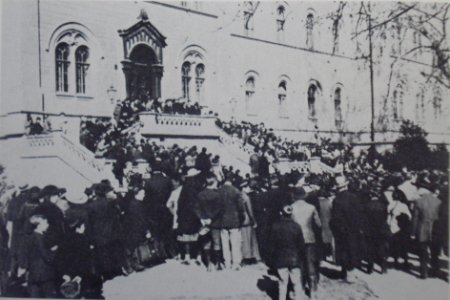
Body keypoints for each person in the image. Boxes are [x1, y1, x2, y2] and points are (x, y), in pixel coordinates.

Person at [268, 203, 305, 300]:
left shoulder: (275, 226)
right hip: (294, 258)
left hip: (280, 259)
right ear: (291, 214)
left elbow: (271, 245)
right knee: (296, 282)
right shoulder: (297, 226)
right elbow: (301, 244)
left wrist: (271, 259)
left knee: (282, 282)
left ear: (281, 213)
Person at [329, 176, 362, 281]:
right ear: (346, 185)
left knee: (342, 250)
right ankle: (350, 273)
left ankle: (344, 271)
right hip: (352, 229)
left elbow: (335, 218)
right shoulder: (354, 198)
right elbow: (358, 215)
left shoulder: (336, 200)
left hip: (341, 230)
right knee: (352, 250)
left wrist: (335, 229)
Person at [290, 185, 321, 294]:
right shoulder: (311, 207)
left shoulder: (291, 207)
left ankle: (300, 288)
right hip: (309, 238)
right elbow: (318, 224)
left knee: (299, 263)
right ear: (304, 196)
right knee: (310, 263)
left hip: (295, 239)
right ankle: (313, 289)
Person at [411, 177, 442, 279]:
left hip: (422, 229)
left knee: (423, 252)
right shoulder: (438, 201)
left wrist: (413, 232)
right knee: (434, 252)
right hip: (435, 229)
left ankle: (423, 272)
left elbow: (415, 218)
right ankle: (435, 270)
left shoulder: (418, 201)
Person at [193, 174, 224, 271]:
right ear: (214, 181)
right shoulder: (218, 194)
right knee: (216, 242)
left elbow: (196, 208)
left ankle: (208, 264)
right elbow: (219, 209)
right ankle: (218, 264)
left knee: (206, 243)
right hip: (215, 222)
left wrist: (202, 218)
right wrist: (211, 218)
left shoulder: (200, 194)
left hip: (203, 223)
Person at [25, 215, 58, 298]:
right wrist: (54, 251)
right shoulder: (40, 238)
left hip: (33, 273)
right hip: (44, 274)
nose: (48, 225)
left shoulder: (30, 237)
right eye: (46, 223)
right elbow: (47, 257)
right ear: (39, 225)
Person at [217, 176, 245, 270]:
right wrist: (242, 219)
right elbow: (241, 208)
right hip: (235, 220)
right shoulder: (236, 191)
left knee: (225, 243)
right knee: (235, 243)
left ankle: (227, 263)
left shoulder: (219, 191)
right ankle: (236, 263)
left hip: (222, 221)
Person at [176, 168, 204, 265]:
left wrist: (179, 214)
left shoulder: (185, 188)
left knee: (186, 237)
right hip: (195, 215)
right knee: (198, 235)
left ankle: (187, 256)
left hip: (185, 215)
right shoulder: (199, 187)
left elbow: (180, 202)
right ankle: (198, 256)